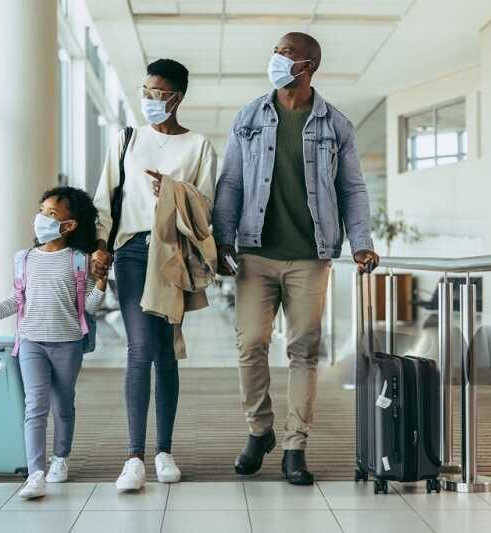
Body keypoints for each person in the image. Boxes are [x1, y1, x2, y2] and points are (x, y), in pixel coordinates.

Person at [212, 32, 380, 485]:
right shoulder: (249, 116)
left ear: (309, 65)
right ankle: (259, 430)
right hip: (256, 254)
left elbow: (352, 189)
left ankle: (294, 445)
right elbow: (229, 183)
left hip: (311, 256)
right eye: (275, 51)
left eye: (286, 53)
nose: (277, 58)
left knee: (304, 351)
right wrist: (222, 239)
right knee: (250, 346)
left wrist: (361, 240)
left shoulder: (335, 125)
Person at [92, 59, 217, 491]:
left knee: (165, 351)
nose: (148, 99)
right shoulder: (127, 138)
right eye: (144, 91)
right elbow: (105, 199)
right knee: (139, 347)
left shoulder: (199, 146)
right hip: (130, 253)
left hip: (173, 254)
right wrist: (100, 248)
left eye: (156, 93)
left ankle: (164, 451)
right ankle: (133, 457)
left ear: (176, 97)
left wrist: (175, 193)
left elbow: (206, 210)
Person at [0, 186, 106, 499]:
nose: (41, 218)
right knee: (35, 406)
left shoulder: (79, 261)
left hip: (68, 343)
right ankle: (36, 473)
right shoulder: (23, 259)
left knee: (63, 403)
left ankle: (61, 458)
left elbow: (91, 308)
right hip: (30, 343)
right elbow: (16, 301)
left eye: (51, 214)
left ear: (69, 225)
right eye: (41, 211)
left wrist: (103, 283)